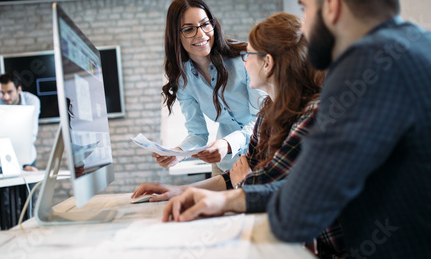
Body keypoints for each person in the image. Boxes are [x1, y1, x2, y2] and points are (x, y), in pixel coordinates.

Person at [162, 0, 431, 258]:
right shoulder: (417, 44)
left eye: (305, 9)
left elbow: (297, 212)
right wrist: (225, 195)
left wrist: (241, 188)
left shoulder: (362, 67)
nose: (302, 27)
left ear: (330, 7)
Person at [135, 13, 343, 256]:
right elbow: (249, 176)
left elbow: (264, 184)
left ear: (267, 63)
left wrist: (243, 181)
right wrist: (181, 190)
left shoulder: (314, 114)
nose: (244, 61)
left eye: (249, 54)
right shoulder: (267, 115)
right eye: (189, 29)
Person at [155, 0, 265, 174]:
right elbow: (198, 134)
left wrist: (228, 144)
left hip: (264, 157)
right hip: (227, 165)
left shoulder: (244, 59)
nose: (201, 34)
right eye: (189, 29)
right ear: (176, 36)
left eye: (205, 24)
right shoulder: (184, 80)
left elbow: (263, 118)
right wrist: (178, 153)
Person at [0, 72, 40, 170]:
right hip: (2, 158)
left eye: (9, 92)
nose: (5, 97)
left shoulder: (32, 101)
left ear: (19, 89)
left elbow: (31, 134)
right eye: (2, 93)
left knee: (32, 184)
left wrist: (22, 165)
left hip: (26, 157)